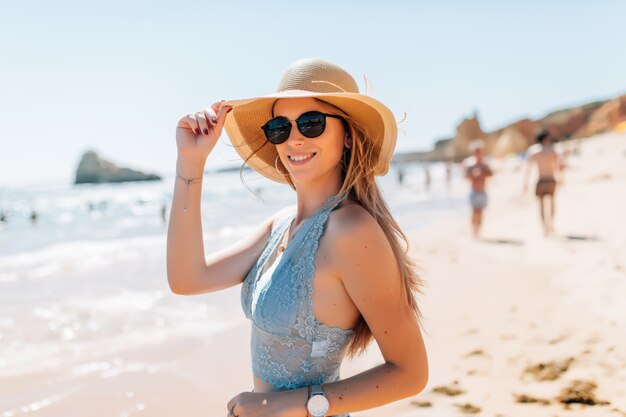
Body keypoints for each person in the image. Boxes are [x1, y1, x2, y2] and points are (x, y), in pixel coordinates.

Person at [167, 58, 428, 417]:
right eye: (279, 127)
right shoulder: (280, 225)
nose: (294, 138)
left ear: (348, 135)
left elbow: (410, 373)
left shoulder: (353, 231)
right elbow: (187, 278)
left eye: (311, 123)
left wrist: (286, 404)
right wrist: (190, 162)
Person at [523, 129, 562, 235]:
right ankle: (551, 224)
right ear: (546, 138)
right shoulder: (552, 150)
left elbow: (528, 168)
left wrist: (525, 183)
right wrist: (561, 178)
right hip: (551, 179)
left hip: (540, 180)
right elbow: (558, 165)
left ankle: (544, 227)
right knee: (552, 203)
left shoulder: (533, 151)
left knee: (541, 206)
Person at [463, 140, 493, 238]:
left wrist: (482, 173)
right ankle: (473, 231)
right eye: (476, 151)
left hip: (483, 191)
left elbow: (491, 174)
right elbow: (465, 177)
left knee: (480, 212)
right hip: (474, 191)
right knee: (474, 212)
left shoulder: (485, 164)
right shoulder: (469, 164)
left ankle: (478, 231)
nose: (477, 153)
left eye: (479, 151)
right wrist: (473, 175)